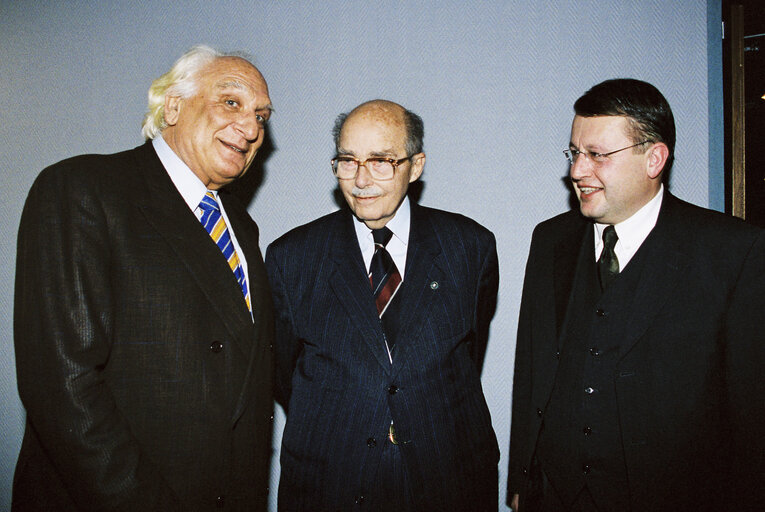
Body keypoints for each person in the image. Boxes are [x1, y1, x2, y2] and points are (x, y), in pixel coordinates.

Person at [13, 45, 275, 511]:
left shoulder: (240, 225)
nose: (252, 128)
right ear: (173, 105)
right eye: (231, 102)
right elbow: (63, 386)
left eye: (262, 116)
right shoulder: (83, 188)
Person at [507, 78, 765, 512]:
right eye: (575, 153)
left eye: (597, 155)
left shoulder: (732, 252)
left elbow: (752, 412)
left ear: (654, 159)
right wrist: (521, 478)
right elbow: (531, 370)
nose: (577, 171)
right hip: (556, 496)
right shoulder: (550, 240)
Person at [266, 99, 500, 511]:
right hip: (330, 479)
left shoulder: (469, 247)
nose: (360, 180)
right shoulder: (293, 257)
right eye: (347, 160)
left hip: (447, 477)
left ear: (416, 165)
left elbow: (465, 355)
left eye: (380, 161)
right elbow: (286, 372)